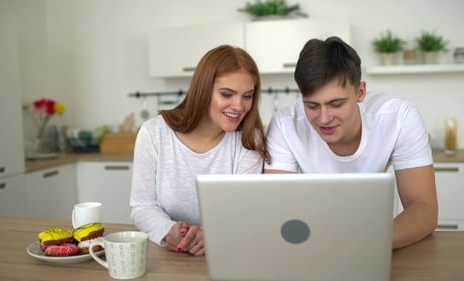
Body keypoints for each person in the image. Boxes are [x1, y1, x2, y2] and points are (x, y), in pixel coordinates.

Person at [264, 36, 438, 249]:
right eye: (311, 106)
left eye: (336, 104)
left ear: (360, 92)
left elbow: (424, 209)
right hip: (311, 245)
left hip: (375, 243)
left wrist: (366, 244)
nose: (324, 118)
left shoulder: (398, 116)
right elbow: (277, 210)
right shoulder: (284, 124)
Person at [130, 45, 270, 256]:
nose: (239, 106)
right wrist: (168, 231)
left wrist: (212, 234)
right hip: (169, 258)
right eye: (226, 94)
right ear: (203, 89)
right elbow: (142, 206)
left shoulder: (249, 140)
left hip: (228, 254)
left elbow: (243, 214)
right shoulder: (154, 133)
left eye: (247, 96)